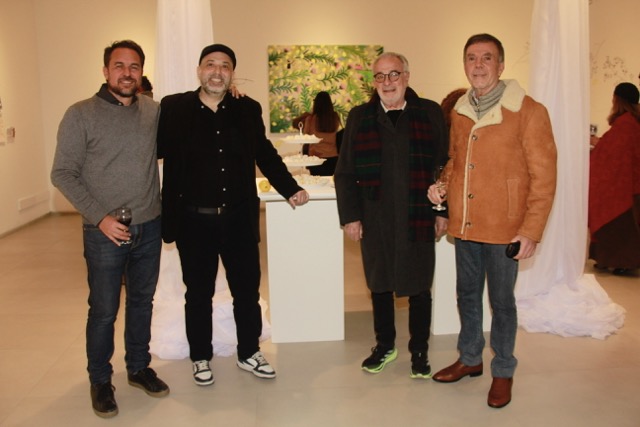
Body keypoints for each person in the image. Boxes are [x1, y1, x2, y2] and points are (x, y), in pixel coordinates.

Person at [157, 43, 309, 386]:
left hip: (238, 218)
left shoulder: (247, 109)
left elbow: (265, 154)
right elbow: (153, 148)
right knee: (198, 294)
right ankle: (200, 356)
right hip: (193, 221)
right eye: (210, 64)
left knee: (246, 291)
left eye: (225, 66)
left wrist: (290, 188)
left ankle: (249, 352)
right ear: (199, 70)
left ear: (232, 74)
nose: (217, 71)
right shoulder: (174, 107)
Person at [427, 33, 557, 409]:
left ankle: (503, 369)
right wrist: (442, 187)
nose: (478, 65)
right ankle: (470, 358)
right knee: (466, 295)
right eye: (472, 58)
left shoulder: (530, 111)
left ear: (500, 65)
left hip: (506, 227)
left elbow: (544, 177)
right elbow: (455, 161)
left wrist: (530, 230)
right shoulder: (460, 111)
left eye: (487, 58)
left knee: (502, 302)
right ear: (464, 64)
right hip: (466, 223)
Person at [51, 40, 169, 419]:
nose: (127, 73)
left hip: (149, 226)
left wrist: (229, 94)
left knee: (142, 302)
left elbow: (191, 122)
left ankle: (138, 367)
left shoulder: (153, 111)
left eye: (134, 67)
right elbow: (62, 173)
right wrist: (100, 218)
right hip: (103, 231)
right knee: (103, 310)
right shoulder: (80, 114)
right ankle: (100, 380)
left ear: (141, 73)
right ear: (105, 71)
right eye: (119, 66)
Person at [334, 52, 449, 379]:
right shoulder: (360, 117)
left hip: (419, 214)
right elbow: (345, 171)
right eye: (380, 76)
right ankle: (385, 345)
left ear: (407, 77)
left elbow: (445, 165)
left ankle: (420, 350)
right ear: (374, 81)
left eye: (394, 74)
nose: (387, 82)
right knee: (379, 283)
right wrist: (351, 217)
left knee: (419, 286)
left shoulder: (429, 113)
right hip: (376, 216)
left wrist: (443, 210)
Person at [588, 82, 640, 275]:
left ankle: (622, 262)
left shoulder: (626, 124)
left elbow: (613, 154)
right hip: (633, 185)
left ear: (618, 99)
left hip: (623, 188)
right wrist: (600, 143)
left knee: (619, 226)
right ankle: (610, 260)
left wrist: (597, 146)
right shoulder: (632, 122)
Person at [292, 91, 342, 175]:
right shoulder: (334, 117)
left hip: (315, 157)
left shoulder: (311, 119)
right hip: (333, 156)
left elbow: (306, 135)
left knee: (316, 180)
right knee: (330, 181)